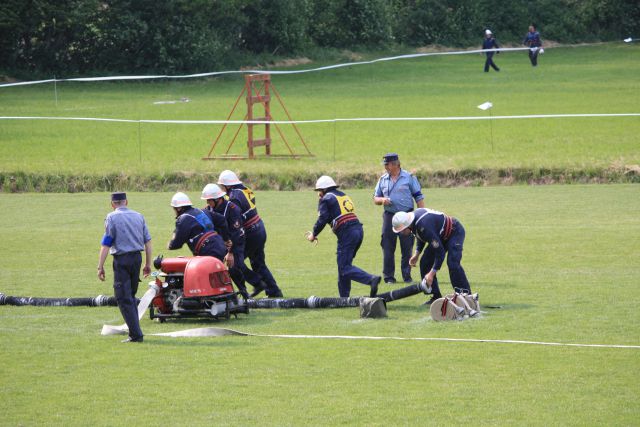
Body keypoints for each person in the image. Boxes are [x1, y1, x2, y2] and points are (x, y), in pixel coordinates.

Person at [306, 176, 381, 298]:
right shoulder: (343, 195)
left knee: (344, 268)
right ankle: (344, 298)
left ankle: (371, 279)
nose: (318, 193)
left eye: (319, 190)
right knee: (344, 266)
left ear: (323, 189)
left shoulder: (326, 198)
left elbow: (322, 218)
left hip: (347, 233)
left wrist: (313, 234)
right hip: (358, 230)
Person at [217, 170, 283, 298]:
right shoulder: (245, 190)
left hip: (251, 232)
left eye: (222, 186)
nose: (221, 189)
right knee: (258, 263)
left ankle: (256, 284)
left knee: (235, 262)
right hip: (259, 228)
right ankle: (274, 291)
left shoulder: (234, 196)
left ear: (228, 185)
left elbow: (236, 219)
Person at [97, 192, 152, 343]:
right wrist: (148, 264)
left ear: (112, 204)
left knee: (122, 297)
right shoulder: (139, 216)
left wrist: (100, 267)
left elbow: (106, 244)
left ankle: (136, 335)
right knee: (131, 296)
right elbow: (148, 242)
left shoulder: (111, 218)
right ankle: (135, 332)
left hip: (121, 260)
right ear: (126, 202)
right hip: (137, 259)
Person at [166, 192, 242, 298]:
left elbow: (176, 244)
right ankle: (238, 296)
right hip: (218, 243)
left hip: (209, 249)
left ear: (179, 208)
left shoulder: (183, 219)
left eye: (174, 208)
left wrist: (169, 244)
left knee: (210, 277)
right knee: (219, 274)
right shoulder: (201, 211)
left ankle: (224, 300)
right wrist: (225, 239)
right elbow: (221, 220)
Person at [391, 208, 472, 306]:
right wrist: (417, 254)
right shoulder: (413, 222)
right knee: (425, 262)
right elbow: (420, 236)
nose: (401, 233)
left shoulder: (424, 225)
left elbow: (440, 252)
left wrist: (431, 273)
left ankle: (466, 296)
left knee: (453, 263)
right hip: (439, 236)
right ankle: (436, 296)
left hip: (454, 233)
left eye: (402, 231)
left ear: (407, 225)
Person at [373, 153, 425, 284]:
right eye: (385, 164)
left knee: (407, 246)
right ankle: (389, 277)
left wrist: (421, 215)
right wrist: (382, 200)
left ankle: (407, 276)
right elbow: (375, 198)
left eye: (387, 164)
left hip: (407, 216)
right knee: (387, 246)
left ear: (395, 164)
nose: (385, 167)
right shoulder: (383, 179)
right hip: (389, 216)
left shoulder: (409, 177)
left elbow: (419, 197)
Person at [201, 183, 250, 299]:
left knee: (233, 268)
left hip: (236, 242)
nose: (208, 203)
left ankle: (244, 293)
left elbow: (236, 233)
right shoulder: (208, 210)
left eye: (209, 200)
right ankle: (224, 295)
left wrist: (230, 252)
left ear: (217, 199)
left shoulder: (233, 209)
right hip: (219, 244)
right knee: (213, 268)